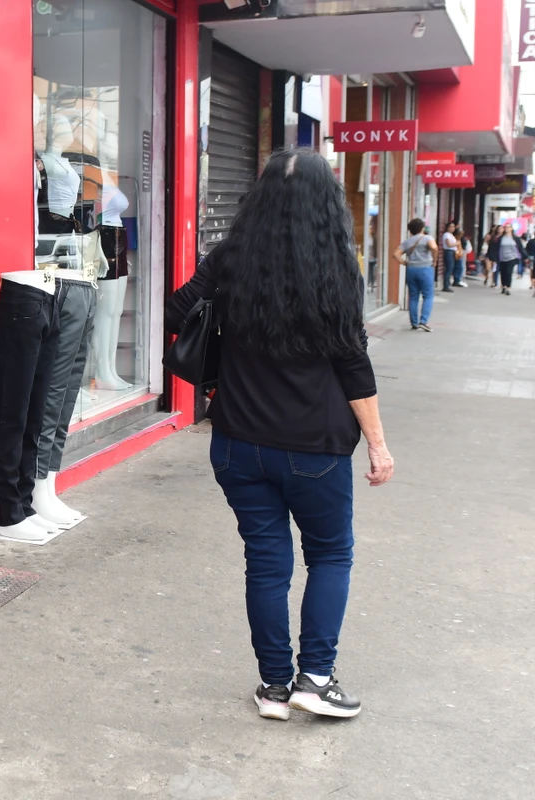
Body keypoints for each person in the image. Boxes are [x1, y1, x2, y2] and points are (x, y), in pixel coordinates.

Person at [167, 149, 394, 722]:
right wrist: (378, 443)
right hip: (314, 449)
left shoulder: (232, 256)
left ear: (260, 197)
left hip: (238, 443)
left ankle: (273, 688)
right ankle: (314, 679)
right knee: (330, 555)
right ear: (328, 204)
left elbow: (177, 311)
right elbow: (353, 366)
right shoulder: (337, 268)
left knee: (266, 564)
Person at [394, 218, 439, 331]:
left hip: (411, 269)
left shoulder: (408, 241)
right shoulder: (427, 238)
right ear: (422, 228)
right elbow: (434, 247)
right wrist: (434, 260)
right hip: (425, 269)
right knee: (428, 295)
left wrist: (404, 263)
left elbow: (395, 254)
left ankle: (414, 323)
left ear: (411, 230)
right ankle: (423, 321)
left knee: (413, 296)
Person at [495, 223, 522, 295]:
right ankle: (504, 286)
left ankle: (508, 287)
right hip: (502, 257)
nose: (507, 229)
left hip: (512, 257)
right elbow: (496, 248)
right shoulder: (501, 238)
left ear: (511, 229)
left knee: (509, 272)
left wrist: (524, 256)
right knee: (503, 272)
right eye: (505, 227)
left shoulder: (515, 238)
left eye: (508, 227)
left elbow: (520, 248)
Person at [440, 221, 459, 293]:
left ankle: (447, 284)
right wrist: (456, 243)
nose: (452, 228)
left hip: (452, 252)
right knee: (448, 268)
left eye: (453, 227)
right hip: (448, 252)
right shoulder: (446, 235)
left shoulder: (451, 235)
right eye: (451, 227)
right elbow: (449, 244)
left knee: (450, 268)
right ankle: (446, 286)